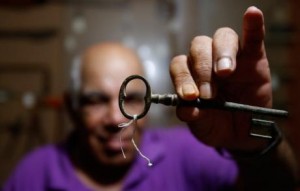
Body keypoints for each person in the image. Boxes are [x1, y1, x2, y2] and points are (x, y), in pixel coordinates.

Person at [2, 6, 297, 191]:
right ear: (71, 107)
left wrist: (251, 143)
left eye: (131, 99)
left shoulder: (188, 154)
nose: (117, 118)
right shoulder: (34, 174)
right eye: (95, 100)